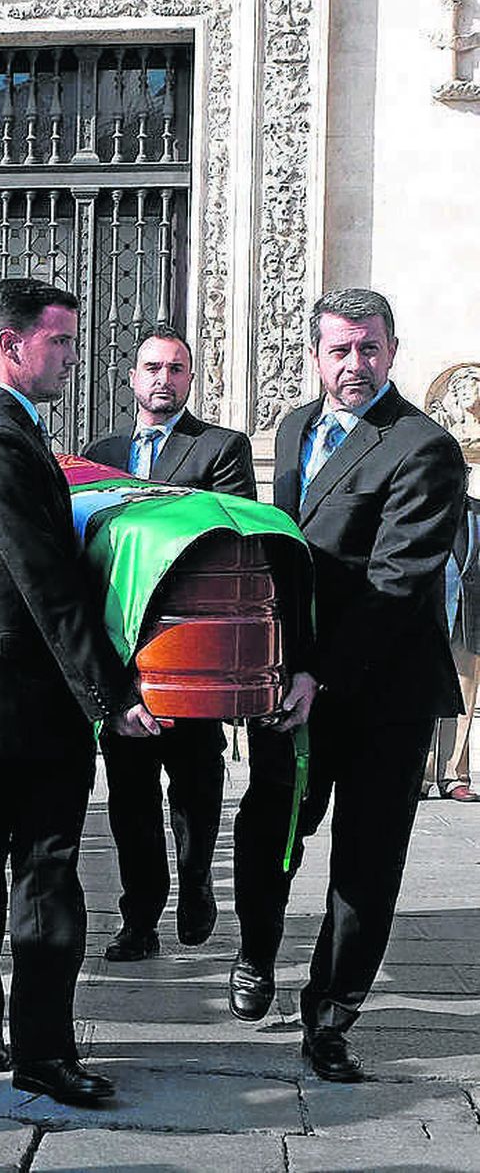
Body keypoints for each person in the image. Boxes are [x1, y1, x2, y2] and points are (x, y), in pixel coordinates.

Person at [0, 277, 160, 1106]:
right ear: (11, 346)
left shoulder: (8, 430)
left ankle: (22, 1039)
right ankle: (7, 1033)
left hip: (9, 696)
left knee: (25, 876)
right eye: (58, 341)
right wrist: (111, 694)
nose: (71, 356)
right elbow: (46, 580)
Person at [229, 288, 466, 1084]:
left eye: (368, 348)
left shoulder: (425, 447)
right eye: (339, 349)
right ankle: (255, 954)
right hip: (293, 686)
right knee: (268, 830)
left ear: (392, 351)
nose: (354, 364)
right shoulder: (296, 430)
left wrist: (318, 672)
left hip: (384, 696)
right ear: (316, 356)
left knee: (366, 865)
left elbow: (397, 584)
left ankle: (330, 1016)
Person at [82, 323, 257, 961]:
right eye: (152, 367)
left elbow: (228, 530)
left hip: (189, 649)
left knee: (195, 781)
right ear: (132, 378)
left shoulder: (221, 447)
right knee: (129, 795)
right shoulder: (99, 451)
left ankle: (197, 882)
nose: (163, 378)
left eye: (176, 368)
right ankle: (139, 917)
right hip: (121, 653)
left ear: (191, 378)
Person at [425, 479, 480, 802]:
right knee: (422, 695)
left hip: (469, 618)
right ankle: (420, 774)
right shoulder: (424, 509)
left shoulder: (477, 511)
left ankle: (453, 775)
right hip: (428, 617)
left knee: (464, 698)